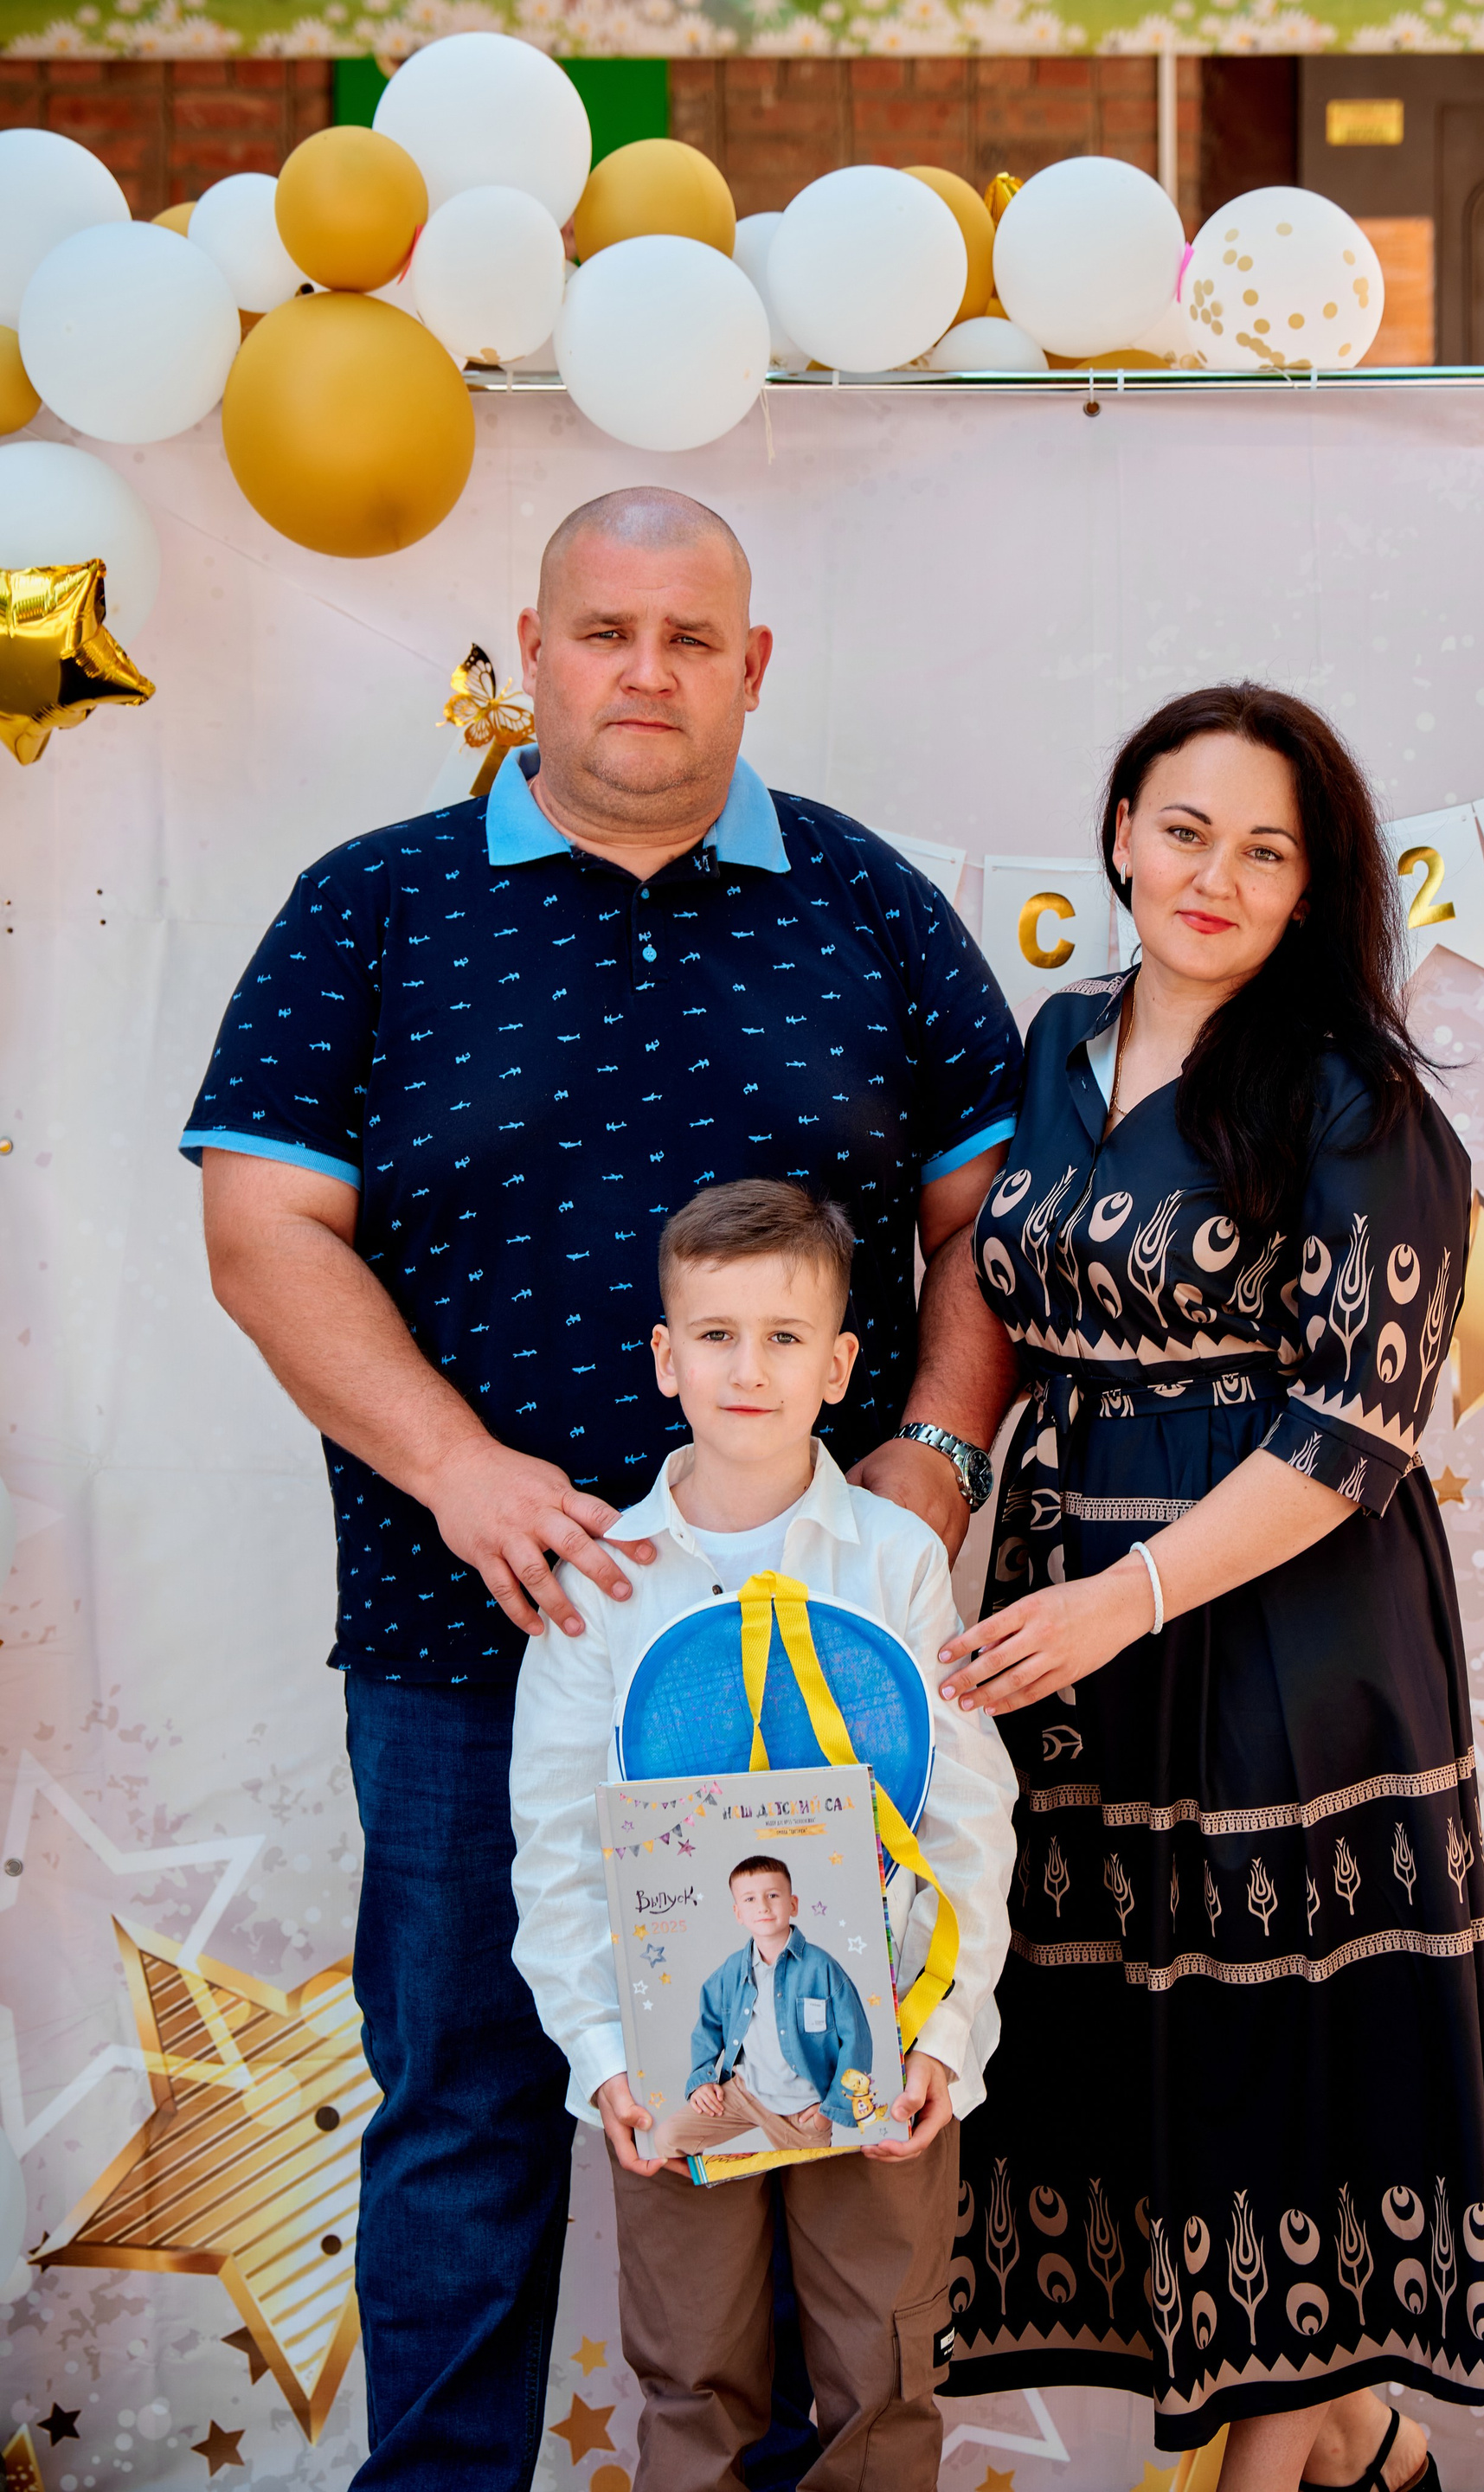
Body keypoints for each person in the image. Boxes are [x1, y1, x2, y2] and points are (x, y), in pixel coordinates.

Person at [180, 488, 1020, 2492]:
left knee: (813, 2118)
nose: (646, 670)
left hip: (819, 1660)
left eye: (689, 635)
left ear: (752, 665)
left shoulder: (869, 904)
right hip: (472, 1638)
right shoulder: (372, 906)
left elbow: (994, 1223)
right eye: (605, 631)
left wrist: (932, 1460)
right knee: (467, 2112)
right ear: (535, 650)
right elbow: (263, 1228)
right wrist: (458, 1469)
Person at [934, 685, 1484, 2492]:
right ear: (1122, 831)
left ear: (1309, 886)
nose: (1216, 875)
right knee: (1144, 2052)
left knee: (1281, 2055)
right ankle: (1362, 2446)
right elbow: (992, 1289)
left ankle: (1286, 2465)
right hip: (1071, 1625)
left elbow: (1356, 1428)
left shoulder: (1356, 1098)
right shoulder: (1056, 1044)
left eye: (1266, 851)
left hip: (1285, 1626)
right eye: (1187, 830)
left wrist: (1123, 1599)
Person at [509, 1179, 1018, 2491]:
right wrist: (607, 2062)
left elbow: (966, 1815)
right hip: (677, 2066)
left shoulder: (896, 1562)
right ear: (664, 1357)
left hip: (881, 2042)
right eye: (718, 1335)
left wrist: (944, 2040)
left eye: (786, 1337)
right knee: (693, 2381)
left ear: (840, 1366)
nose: (749, 1368)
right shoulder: (602, 1586)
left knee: (883, 2381)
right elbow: (556, 1851)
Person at [651, 1855, 875, 2161]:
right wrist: (701, 2079)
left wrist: (831, 2109)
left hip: (802, 2110)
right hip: (746, 2092)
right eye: (750, 1899)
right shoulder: (730, 1972)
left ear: (793, 1904)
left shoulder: (822, 1969)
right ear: (738, 1913)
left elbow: (857, 2041)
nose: (763, 1907)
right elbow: (708, 2026)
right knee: (667, 2139)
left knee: (812, 2183)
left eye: (772, 1895)